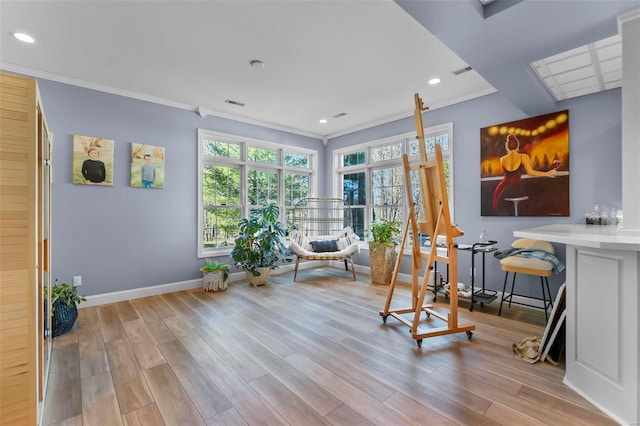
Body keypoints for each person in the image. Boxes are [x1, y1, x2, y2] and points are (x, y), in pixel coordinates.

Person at [492, 134, 557, 214]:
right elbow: (531, 172)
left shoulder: (502, 159)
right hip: (515, 189)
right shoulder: (523, 157)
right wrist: (547, 173)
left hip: (502, 189)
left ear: (507, 146)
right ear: (517, 145)